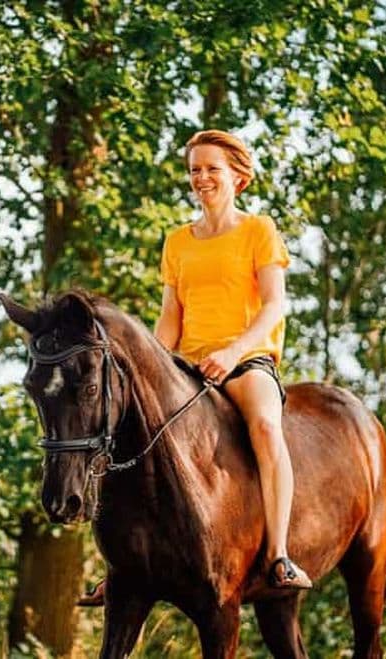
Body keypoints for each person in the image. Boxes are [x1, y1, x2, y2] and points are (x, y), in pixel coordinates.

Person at [79, 129, 311, 606]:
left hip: (246, 361)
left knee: (267, 427)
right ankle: (119, 567)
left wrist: (232, 353)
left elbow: (274, 307)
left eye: (211, 169)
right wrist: (148, 368)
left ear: (237, 178)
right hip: (186, 366)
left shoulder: (258, 230)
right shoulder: (177, 242)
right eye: (194, 170)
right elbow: (170, 319)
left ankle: (280, 555)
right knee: (123, 434)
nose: (201, 177)